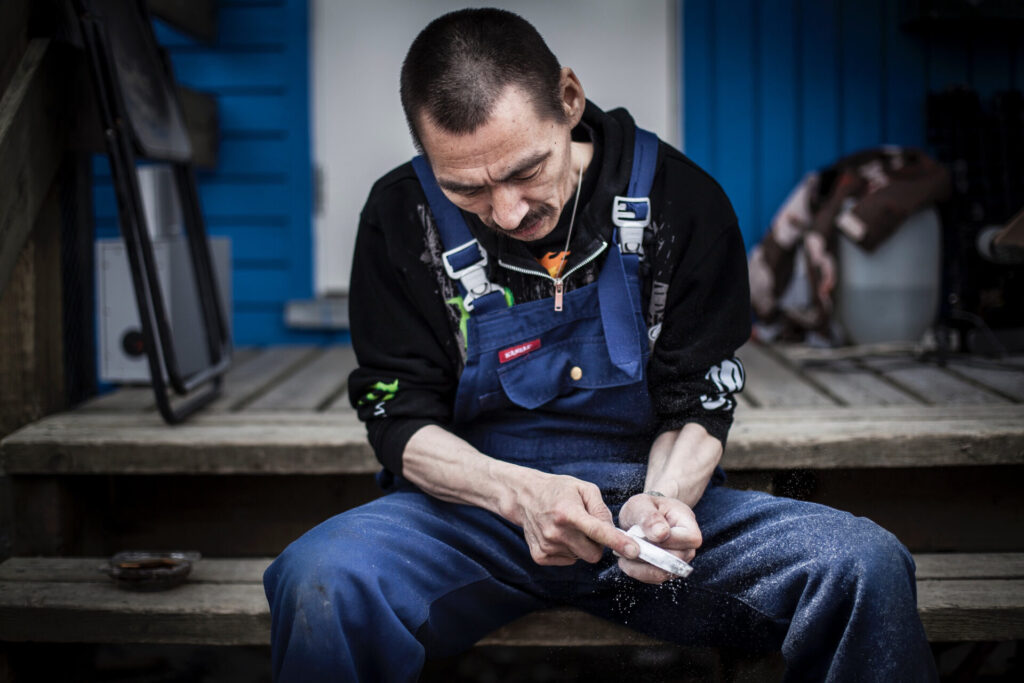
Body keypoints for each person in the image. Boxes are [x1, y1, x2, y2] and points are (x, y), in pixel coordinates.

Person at [264, 8, 936, 681]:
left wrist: (665, 502)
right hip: (470, 518)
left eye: (527, 170)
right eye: (465, 188)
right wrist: (518, 494)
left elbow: (699, 402)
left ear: (569, 100)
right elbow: (397, 418)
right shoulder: (398, 217)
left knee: (862, 565)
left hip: (645, 513)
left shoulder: (684, 202)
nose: (508, 213)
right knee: (319, 577)